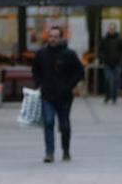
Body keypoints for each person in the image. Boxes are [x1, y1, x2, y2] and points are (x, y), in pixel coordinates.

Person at [31, 26, 85, 163]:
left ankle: (66, 150)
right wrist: (39, 84)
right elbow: (35, 70)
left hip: (64, 96)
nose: (53, 39)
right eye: (51, 36)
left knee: (64, 125)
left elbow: (80, 72)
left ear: (61, 38)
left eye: (56, 36)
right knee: (48, 122)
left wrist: (69, 86)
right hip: (47, 95)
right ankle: (49, 152)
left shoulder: (69, 54)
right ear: (47, 38)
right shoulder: (41, 54)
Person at [97, 23, 122, 104]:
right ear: (108, 30)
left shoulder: (120, 39)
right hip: (107, 63)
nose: (111, 30)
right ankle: (107, 96)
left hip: (117, 63)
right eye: (110, 29)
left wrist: (121, 60)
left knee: (116, 80)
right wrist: (102, 58)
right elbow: (100, 50)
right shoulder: (104, 39)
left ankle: (114, 97)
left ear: (115, 30)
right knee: (107, 79)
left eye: (113, 29)